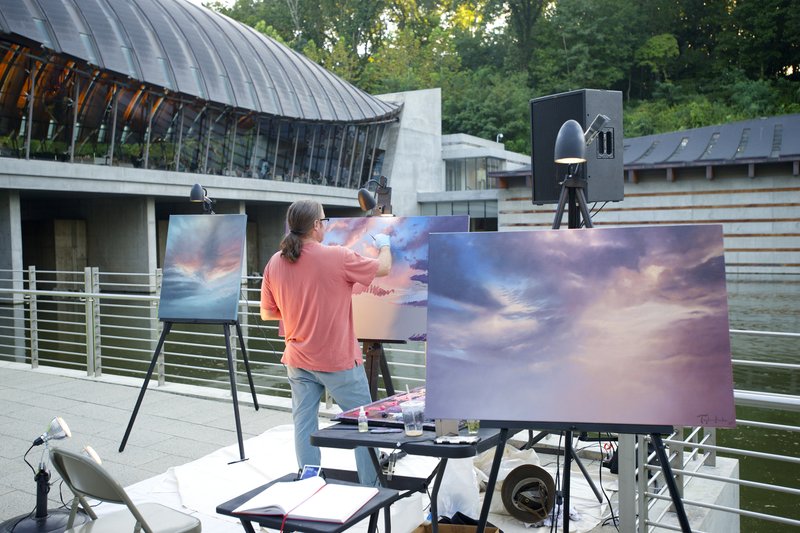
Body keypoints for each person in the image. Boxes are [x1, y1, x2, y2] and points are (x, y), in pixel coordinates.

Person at [260, 199, 391, 486]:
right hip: (336, 360)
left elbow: (268, 313)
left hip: (297, 358)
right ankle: (371, 489)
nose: (326, 225)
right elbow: (383, 268)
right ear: (316, 225)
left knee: (304, 423)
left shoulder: (275, 261)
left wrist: (299, 308)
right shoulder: (337, 256)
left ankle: (309, 484)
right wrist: (385, 244)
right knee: (362, 425)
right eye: (325, 221)